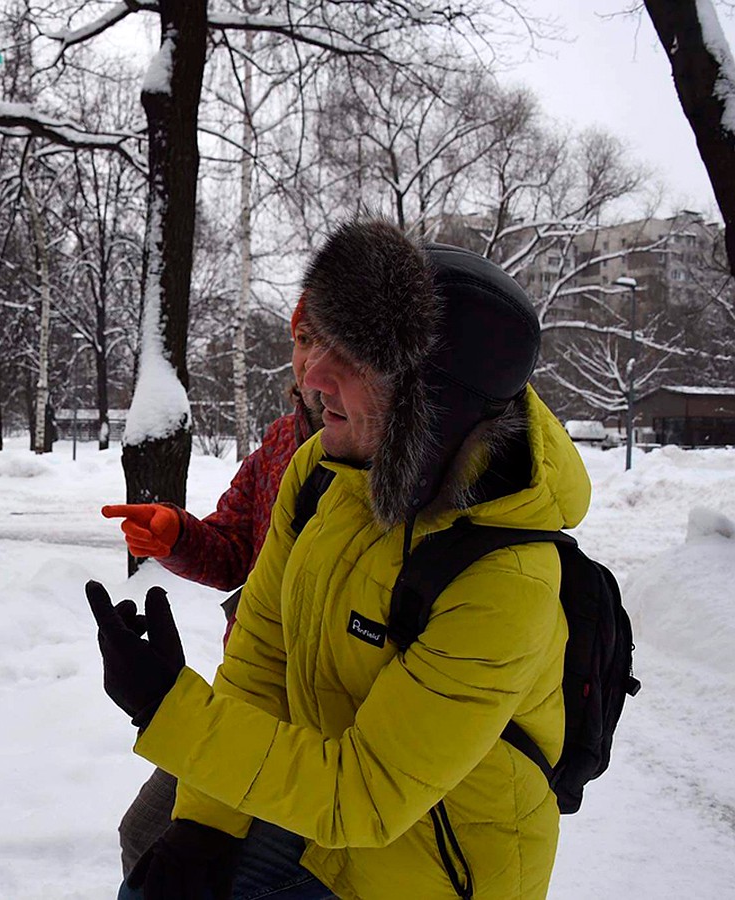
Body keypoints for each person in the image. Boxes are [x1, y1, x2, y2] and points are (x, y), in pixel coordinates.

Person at [86, 219, 591, 900]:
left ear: (431, 407)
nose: (314, 377)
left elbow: (368, 796)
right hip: (319, 787)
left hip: (425, 859)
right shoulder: (320, 470)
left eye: (354, 360)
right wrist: (206, 826)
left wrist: (166, 708)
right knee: (152, 867)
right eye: (316, 342)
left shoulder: (507, 578)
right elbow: (265, 655)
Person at [102, 299, 324, 876]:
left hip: (324, 725)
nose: (311, 361)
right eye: (303, 340)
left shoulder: (390, 455)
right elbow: (231, 551)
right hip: (245, 698)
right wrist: (177, 534)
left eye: (330, 342)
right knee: (145, 836)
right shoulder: (279, 445)